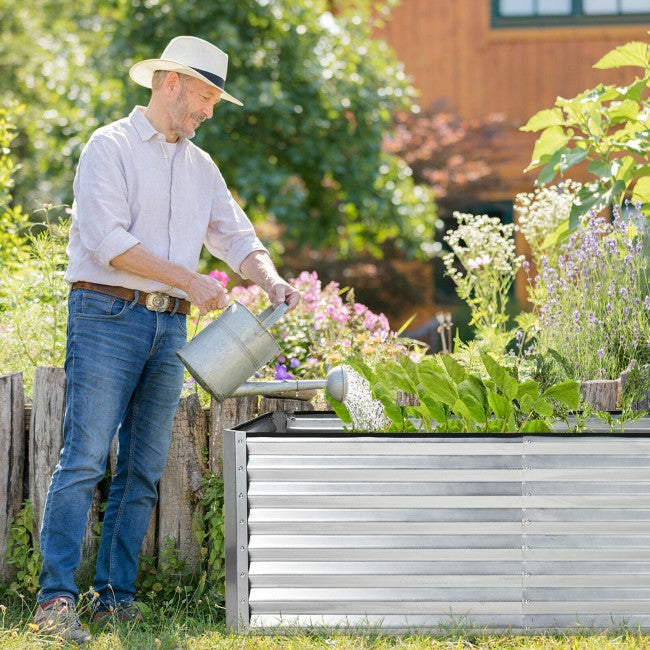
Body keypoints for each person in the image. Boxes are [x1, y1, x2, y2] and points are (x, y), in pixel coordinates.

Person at [33, 35, 300, 642]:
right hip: (106, 315)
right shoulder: (111, 147)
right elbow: (109, 243)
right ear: (170, 83)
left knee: (145, 467)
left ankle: (114, 599)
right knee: (83, 458)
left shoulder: (201, 166)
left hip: (168, 326)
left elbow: (236, 237)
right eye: (206, 96)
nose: (210, 111)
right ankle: (55, 601)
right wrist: (189, 279)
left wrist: (272, 279)